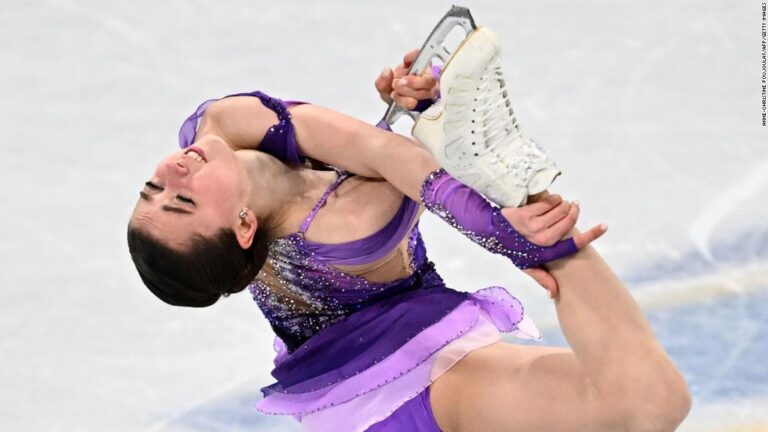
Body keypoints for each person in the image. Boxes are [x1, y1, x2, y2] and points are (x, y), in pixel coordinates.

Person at [127, 29, 691, 431]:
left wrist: (414, 112)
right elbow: (399, 163)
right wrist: (521, 233)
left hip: (390, 361)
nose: (171, 172)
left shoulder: (219, 125)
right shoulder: (347, 222)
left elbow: (376, 150)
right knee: (647, 404)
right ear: (244, 224)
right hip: (391, 391)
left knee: (648, 403)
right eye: (183, 200)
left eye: (152, 188)